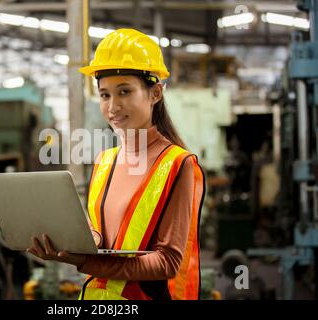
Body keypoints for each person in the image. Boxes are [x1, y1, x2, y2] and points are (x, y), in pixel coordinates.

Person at [27, 28, 206, 300]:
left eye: (124, 91)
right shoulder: (104, 161)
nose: (112, 107)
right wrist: (68, 241)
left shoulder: (178, 164)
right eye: (105, 95)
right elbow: (103, 237)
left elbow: (168, 262)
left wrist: (83, 262)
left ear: (155, 93)